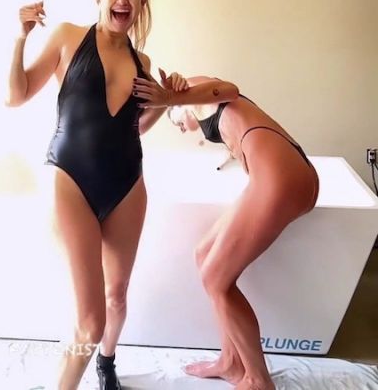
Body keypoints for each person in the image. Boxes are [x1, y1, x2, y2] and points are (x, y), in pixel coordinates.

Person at [6, 0, 187, 390]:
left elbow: (134, 127)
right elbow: (15, 95)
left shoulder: (143, 64)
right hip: (70, 178)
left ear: (141, 2)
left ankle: (106, 364)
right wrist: (19, 37)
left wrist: (166, 101)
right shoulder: (68, 37)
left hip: (126, 184)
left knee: (116, 297)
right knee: (90, 321)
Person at [133, 74, 319, 390]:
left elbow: (230, 90)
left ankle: (258, 380)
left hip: (283, 177)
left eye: (174, 121)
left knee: (216, 279)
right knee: (204, 253)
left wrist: (171, 98)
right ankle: (231, 361)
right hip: (278, 174)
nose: (179, 127)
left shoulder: (195, 89)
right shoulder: (198, 103)